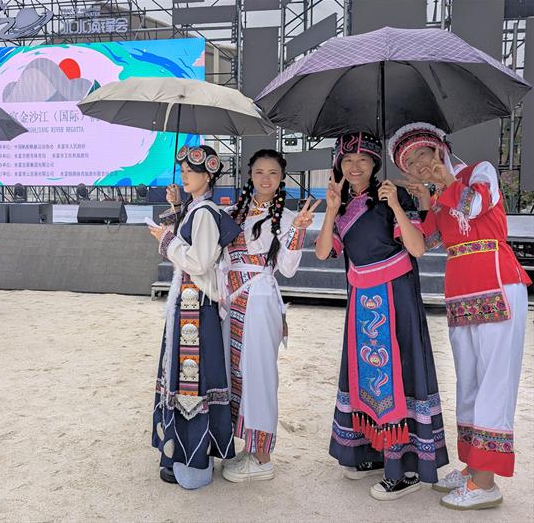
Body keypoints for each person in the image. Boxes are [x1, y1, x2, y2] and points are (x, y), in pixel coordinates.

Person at [389, 122, 531, 510]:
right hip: (460, 293)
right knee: (468, 381)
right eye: (409, 164)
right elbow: (421, 245)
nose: (419, 166)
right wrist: (410, 206)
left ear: (440, 149)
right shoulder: (439, 200)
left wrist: (444, 181)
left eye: (422, 155)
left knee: (493, 382)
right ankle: (473, 468)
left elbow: (472, 205)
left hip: (497, 282)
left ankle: (486, 483)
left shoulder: (479, 172)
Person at [314, 132, 448, 500]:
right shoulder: (341, 208)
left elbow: (418, 249)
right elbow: (325, 252)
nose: (355, 166)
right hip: (362, 303)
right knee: (369, 378)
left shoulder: (393, 197)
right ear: (338, 166)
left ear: (374, 164)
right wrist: (330, 208)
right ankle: (373, 451)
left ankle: (404, 468)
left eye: (363, 159)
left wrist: (398, 206)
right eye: (347, 160)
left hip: (396, 299)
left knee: (398, 377)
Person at [216, 149, 318, 482]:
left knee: (259, 376)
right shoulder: (231, 213)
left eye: (273, 173)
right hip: (230, 303)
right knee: (236, 375)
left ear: (281, 178)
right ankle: (244, 447)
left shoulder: (287, 218)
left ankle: (262, 457)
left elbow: (287, 269)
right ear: (250, 175)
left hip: (259, 301)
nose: (265, 178)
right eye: (259, 171)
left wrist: (300, 229)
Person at [148, 145, 240, 490]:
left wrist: (166, 240)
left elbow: (199, 262)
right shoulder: (197, 210)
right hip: (191, 306)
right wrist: (176, 209)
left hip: (195, 311)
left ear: (208, 175)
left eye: (190, 170)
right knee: (189, 379)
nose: (184, 174)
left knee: (191, 380)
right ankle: (189, 453)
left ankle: (191, 457)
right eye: (183, 169)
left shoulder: (204, 213)